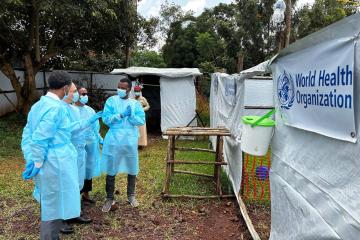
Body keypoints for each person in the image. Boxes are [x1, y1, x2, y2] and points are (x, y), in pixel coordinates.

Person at [21, 71, 100, 240]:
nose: (73, 95)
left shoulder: (38, 105)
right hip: (55, 163)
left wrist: (31, 157)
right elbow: (40, 138)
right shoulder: (56, 108)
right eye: (72, 92)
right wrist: (36, 161)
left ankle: (52, 234)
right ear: (64, 88)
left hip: (51, 161)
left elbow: (30, 133)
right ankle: (50, 236)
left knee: (51, 201)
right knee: (53, 205)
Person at [101, 77, 145, 212]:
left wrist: (131, 116)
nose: (120, 89)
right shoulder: (111, 101)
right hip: (114, 139)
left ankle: (131, 195)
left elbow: (141, 120)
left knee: (132, 167)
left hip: (129, 140)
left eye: (123, 88)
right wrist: (120, 115)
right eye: (118, 87)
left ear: (129, 89)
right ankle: (109, 197)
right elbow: (106, 119)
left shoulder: (135, 104)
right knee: (111, 168)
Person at [75, 85, 103, 204]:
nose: (85, 96)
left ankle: (86, 194)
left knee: (89, 168)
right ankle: (75, 196)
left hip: (90, 142)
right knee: (78, 168)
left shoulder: (90, 110)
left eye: (86, 94)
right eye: (82, 94)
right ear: (76, 95)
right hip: (77, 143)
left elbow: (95, 128)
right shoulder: (71, 110)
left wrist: (100, 139)